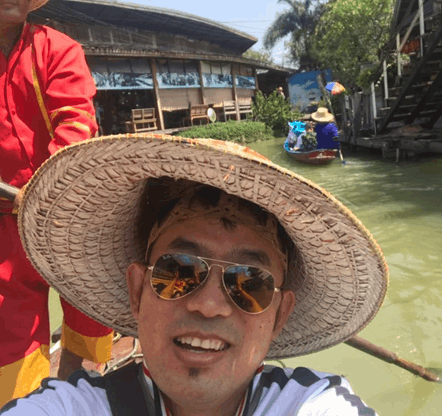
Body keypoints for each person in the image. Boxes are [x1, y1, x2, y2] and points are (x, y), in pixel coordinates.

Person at [1, 135, 388, 416]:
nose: (208, 305)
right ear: (137, 292)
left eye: (249, 283)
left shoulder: (310, 404)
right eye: (178, 271)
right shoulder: (72, 409)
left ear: (279, 316)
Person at [0, 0, 113, 405]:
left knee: (88, 315)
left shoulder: (58, 48)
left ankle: (74, 394)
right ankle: (30, 406)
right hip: (3, 225)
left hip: (67, 213)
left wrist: (42, 194)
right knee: (10, 335)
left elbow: (76, 124)